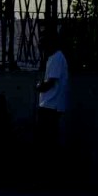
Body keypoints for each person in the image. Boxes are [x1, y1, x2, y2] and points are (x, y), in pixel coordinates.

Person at [35, 33, 69, 170]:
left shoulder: (56, 58)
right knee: (49, 140)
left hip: (51, 105)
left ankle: (47, 173)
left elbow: (50, 82)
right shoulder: (55, 58)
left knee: (46, 142)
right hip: (51, 105)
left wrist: (39, 87)